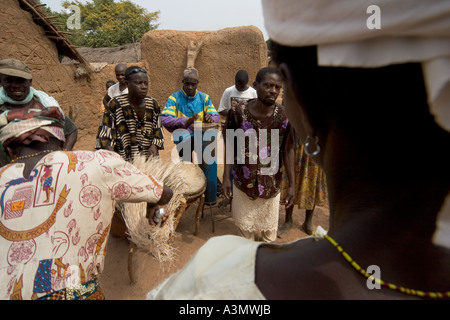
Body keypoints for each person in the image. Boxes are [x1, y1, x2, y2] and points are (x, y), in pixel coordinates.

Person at [148, 0, 450, 299]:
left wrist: (289, 180)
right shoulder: (205, 102)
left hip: (266, 180)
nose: (275, 93)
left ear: (298, 99)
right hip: (208, 156)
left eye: (280, 88)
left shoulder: (211, 284)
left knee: (260, 226)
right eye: (187, 83)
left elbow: (221, 118)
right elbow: (178, 122)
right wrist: (194, 128)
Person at [0, 106, 173, 300]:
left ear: (11, 148)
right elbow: (164, 192)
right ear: (57, 137)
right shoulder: (93, 162)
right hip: (71, 293)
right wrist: (152, 202)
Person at [221, 67, 295, 243]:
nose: (273, 91)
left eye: (277, 87)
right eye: (268, 85)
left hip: (271, 184)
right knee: (244, 236)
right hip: (243, 183)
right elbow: (230, 145)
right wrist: (225, 177)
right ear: (255, 86)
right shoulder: (238, 112)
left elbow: (289, 150)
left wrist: (292, 184)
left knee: (269, 237)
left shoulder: (284, 117)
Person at [0, 59, 78, 166]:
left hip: (51, 169)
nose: (15, 85)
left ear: (30, 82)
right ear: (1, 81)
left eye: (21, 81)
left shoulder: (44, 104)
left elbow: (71, 130)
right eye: (9, 80)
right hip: (9, 174)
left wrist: (65, 154)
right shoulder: (1, 109)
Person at [96, 66, 164, 162]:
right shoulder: (115, 104)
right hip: (122, 162)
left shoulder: (153, 104)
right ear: (127, 84)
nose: (144, 87)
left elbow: (158, 130)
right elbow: (105, 138)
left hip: (148, 162)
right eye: (139, 83)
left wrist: (154, 145)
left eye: (146, 83)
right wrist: (116, 161)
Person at [161, 67, 219, 162]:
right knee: (187, 165)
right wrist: (185, 121)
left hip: (201, 137)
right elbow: (165, 119)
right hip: (183, 138)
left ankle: (209, 175)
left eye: (193, 84)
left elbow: (215, 116)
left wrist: (210, 118)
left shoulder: (204, 98)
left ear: (197, 83)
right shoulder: (174, 98)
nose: (190, 87)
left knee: (207, 161)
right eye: (187, 84)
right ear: (182, 81)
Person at [278, 135, 328, 236]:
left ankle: (308, 222)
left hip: (316, 148)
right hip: (297, 144)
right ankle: (288, 220)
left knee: (313, 181)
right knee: (290, 180)